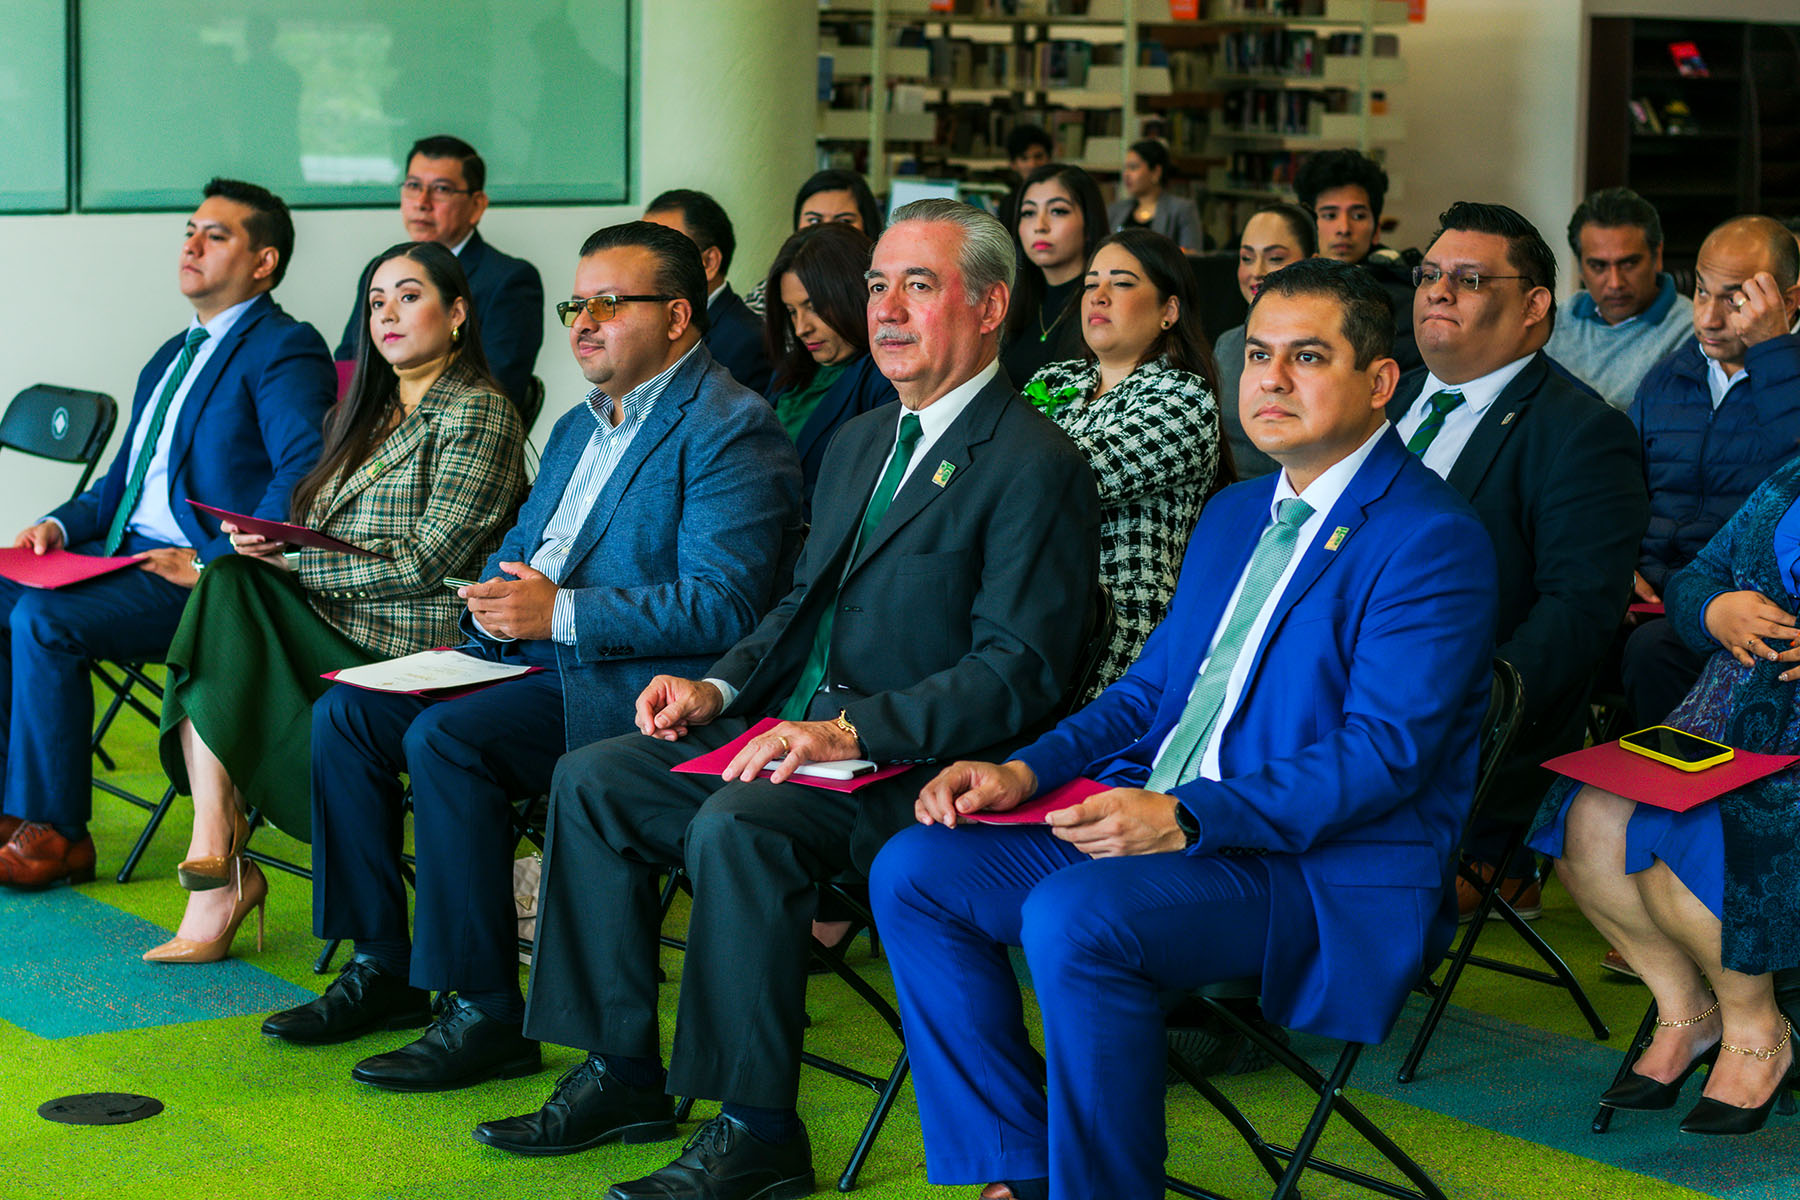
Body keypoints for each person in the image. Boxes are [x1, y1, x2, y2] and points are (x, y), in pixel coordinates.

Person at [477, 200, 1100, 1200]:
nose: (885, 309)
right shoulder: (859, 442)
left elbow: (1016, 674)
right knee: (595, 779)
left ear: (990, 307)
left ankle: (756, 1129)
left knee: (743, 824)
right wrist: (714, 683)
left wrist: (844, 729)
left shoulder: (1035, 463)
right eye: (880, 284)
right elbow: (796, 610)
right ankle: (623, 1072)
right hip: (800, 739)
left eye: (919, 285)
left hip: (920, 767)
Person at [869, 257, 1498, 1200]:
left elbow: (1384, 754)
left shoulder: (1427, 536)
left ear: (1379, 383)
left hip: (1311, 865)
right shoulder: (1238, 512)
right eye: (1260, 357)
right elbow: (1146, 693)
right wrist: (1023, 773)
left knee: (1077, 917)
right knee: (916, 872)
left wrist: (1190, 818)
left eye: (1310, 357)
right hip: (1169, 824)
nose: (1272, 380)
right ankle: (1017, 1166)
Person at [258, 222, 803, 1094]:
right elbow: (521, 548)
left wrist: (561, 615)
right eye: (575, 304)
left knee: (449, 742)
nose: (583, 321)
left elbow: (725, 602)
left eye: (609, 304)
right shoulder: (581, 428)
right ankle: (384, 965)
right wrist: (489, 607)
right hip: (529, 657)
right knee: (351, 712)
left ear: (677, 316)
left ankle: (485, 1014)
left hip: (631, 684)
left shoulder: (731, 426)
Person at [143, 241, 528, 964]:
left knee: (225, 600)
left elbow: (428, 562)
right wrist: (270, 545)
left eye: (410, 296)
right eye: (376, 301)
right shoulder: (366, 411)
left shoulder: (478, 413)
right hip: (334, 625)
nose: (387, 313)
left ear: (457, 315)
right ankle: (216, 839)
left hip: (414, 647)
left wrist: (294, 565)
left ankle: (218, 852)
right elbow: (322, 534)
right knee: (229, 577)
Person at [0, 178, 332, 889]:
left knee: (43, 619)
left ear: (264, 261)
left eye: (216, 236)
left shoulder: (284, 347)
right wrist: (58, 525)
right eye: (189, 230)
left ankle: (56, 832)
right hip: (119, 558)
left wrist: (216, 565)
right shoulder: (170, 355)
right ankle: (10, 811)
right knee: (6, 592)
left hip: (196, 581)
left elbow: (299, 474)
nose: (192, 244)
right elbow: (118, 484)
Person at [1530, 454, 1800, 1135]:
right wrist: (1716, 608)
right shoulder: (1790, 475)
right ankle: (1687, 1012)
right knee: (1587, 819)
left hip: (1788, 757)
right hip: (1723, 722)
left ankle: (1759, 1033)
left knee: (1683, 840)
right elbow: (1696, 577)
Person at [1391, 201, 1648, 916]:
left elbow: (1577, 615)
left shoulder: (1582, 433)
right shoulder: (1386, 396)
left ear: (1534, 306)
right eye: (1430, 274)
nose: (1438, 291)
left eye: (1469, 280)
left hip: (1447, 714)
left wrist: (1482, 699)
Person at [1023, 228, 1227, 692]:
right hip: (1020, 608)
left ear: (1168, 312)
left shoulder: (1184, 397)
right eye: (1091, 282)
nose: (1098, 295)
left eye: (1122, 282)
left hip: (1113, 634)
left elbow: (1067, 476)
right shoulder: (1055, 380)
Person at [1618, 216, 1800, 729]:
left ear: (1787, 301)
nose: (1709, 319)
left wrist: (1771, 351)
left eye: (1736, 299)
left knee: (1652, 653)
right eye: (1701, 292)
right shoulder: (1669, 376)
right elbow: (1620, 487)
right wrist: (1616, 565)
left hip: (1751, 600)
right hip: (1655, 590)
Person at [333, 135, 545, 412]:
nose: (422, 201)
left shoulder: (509, 280)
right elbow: (350, 368)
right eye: (413, 186)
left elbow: (497, 390)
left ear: (477, 205)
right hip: (372, 431)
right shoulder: (379, 272)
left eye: (441, 189)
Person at [761, 222, 898, 515]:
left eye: (813, 307)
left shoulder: (886, 377)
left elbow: (862, 494)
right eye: (792, 311)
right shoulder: (791, 371)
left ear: (854, 294)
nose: (801, 328)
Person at [1545, 188, 1695, 412]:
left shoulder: (1691, 329)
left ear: (1657, 257)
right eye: (1598, 266)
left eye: (1629, 263)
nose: (1615, 283)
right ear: (1580, 267)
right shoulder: (1555, 321)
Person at [1214, 201, 1317, 479]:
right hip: (1231, 499)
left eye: (1274, 258)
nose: (1256, 271)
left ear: (1312, 262)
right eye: (1246, 258)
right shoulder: (1227, 345)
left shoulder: (1329, 347)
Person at [1295, 148, 1421, 372]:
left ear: (1376, 230)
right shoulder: (1289, 289)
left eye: (1358, 216)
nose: (1344, 228)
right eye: (1329, 215)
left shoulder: (1405, 304)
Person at [644, 188, 772, 395]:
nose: (643, 263)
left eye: (662, 250)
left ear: (709, 262)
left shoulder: (749, 342)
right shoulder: (652, 325)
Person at [1002, 163, 1108, 386]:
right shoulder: (1009, 303)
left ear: (1089, 223)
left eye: (1057, 211)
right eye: (1028, 213)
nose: (1040, 226)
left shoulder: (1104, 304)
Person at [743, 169, 885, 315]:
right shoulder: (768, 294)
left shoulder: (883, 287)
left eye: (844, 221)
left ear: (867, 225)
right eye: (814, 220)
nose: (826, 230)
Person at [1106, 140, 1203, 254]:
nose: (1126, 174)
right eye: (1125, 168)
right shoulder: (1115, 210)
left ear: (1156, 172)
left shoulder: (1182, 209)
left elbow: (1192, 254)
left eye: (1133, 167)